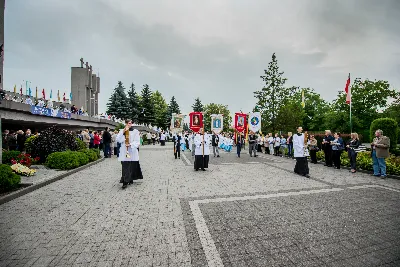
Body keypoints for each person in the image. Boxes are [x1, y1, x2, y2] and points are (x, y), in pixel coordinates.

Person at [116, 119, 143, 189]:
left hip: (132, 151)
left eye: (130, 123)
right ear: (125, 123)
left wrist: (130, 144)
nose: (129, 125)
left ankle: (128, 179)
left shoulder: (135, 131)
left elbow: (137, 142)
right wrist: (123, 132)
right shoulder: (122, 131)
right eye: (127, 123)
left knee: (131, 165)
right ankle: (125, 180)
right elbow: (118, 140)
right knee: (125, 165)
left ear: (132, 124)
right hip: (124, 151)